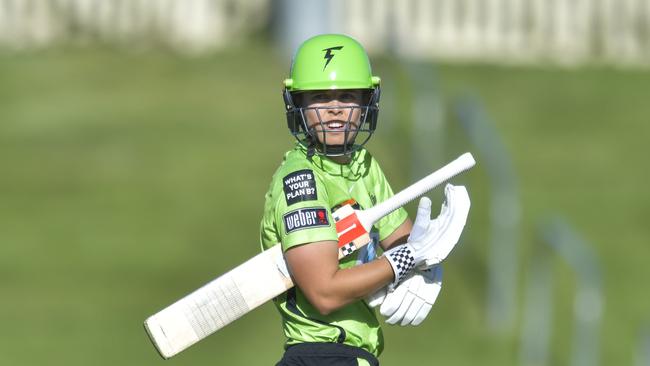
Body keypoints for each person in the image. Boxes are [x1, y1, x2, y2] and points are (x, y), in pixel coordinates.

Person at [259, 34, 470, 366]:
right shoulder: (301, 180)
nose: (334, 110)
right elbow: (324, 293)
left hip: (356, 355)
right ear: (297, 104)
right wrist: (403, 262)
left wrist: (425, 266)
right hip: (320, 353)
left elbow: (402, 241)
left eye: (346, 97)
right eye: (319, 97)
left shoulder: (364, 167)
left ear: (366, 102)